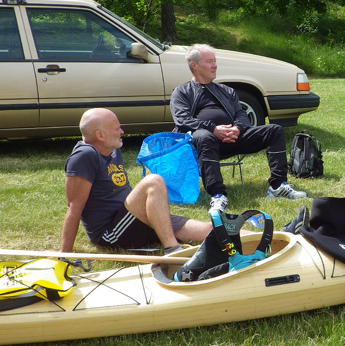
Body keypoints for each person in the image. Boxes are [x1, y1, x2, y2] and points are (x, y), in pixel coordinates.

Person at [170, 44, 306, 213]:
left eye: (215, 61)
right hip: (203, 143)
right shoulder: (182, 92)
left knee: (274, 130)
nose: (215, 65)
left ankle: (278, 185)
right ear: (194, 65)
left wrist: (238, 128)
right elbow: (183, 120)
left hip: (233, 138)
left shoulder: (226, 91)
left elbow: (241, 114)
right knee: (204, 136)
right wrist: (214, 129)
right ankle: (218, 195)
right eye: (209, 61)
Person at [62, 108, 213, 254]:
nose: (122, 132)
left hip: (134, 219)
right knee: (153, 181)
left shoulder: (112, 149)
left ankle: (233, 235)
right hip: (111, 233)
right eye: (117, 129)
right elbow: (74, 207)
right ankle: (172, 249)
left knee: (210, 230)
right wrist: (64, 254)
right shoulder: (84, 156)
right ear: (100, 135)